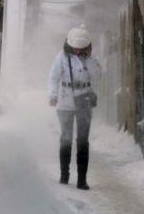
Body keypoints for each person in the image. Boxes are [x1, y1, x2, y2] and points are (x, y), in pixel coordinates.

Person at [48, 25, 101, 190]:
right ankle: (64, 176)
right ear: (70, 45)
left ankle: (82, 179)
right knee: (66, 139)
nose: (78, 51)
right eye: (75, 48)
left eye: (81, 48)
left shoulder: (91, 59)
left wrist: (90, 60)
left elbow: (97, 76)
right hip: (65, 102)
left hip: (83, 100)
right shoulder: (61, 58)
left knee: (83, 141)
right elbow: (53, 78)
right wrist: (52, 95)